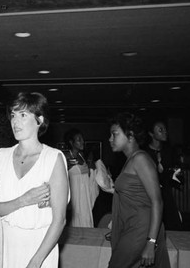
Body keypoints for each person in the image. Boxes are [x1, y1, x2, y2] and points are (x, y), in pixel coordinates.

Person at [0, 92, 69, 268]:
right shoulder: (1, 156)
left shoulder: (53, 158)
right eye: (13, 115)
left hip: (40, 247)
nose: (15, 122)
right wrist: (23, 201)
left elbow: (60, 219)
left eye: (23, 115)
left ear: (39, 120)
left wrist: (36, 261)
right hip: (4, 244)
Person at [108, 112, 169, 268]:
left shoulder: (140, 159)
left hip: (142, 229)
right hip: (133, 226)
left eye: (114, 134)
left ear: (130, 136)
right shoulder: (132, 159)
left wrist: (151, 242)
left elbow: (157, 201)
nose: (110, 139)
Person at [145, 120, 183, 230]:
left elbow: (174, 172)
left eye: (165, 129)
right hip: (149, 196)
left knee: (172, 226)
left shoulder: (169, 151)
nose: (165, 132)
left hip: (166, 194)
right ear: (152, 134)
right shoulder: (145, 153)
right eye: (160, 130)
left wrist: (175, 176)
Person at [63, 128, 99, 227]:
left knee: (86, 218)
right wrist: (65, 167)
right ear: (71, 142)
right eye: (79, 140)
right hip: (75, 195)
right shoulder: (65, 156)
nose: (82, 142)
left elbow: (88, 174)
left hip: (85, 195)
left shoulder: (82, 155)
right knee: (77, 221)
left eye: (82, 139)